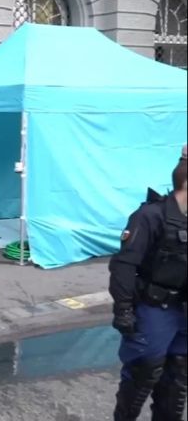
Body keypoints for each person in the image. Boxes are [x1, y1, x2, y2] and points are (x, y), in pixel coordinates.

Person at [108, 157, 187, 421]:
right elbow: (124, 266)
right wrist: (123, 310)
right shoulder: (151, 216)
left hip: (184, 312)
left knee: (177, 379)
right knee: (144, 372)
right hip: (154, 309)